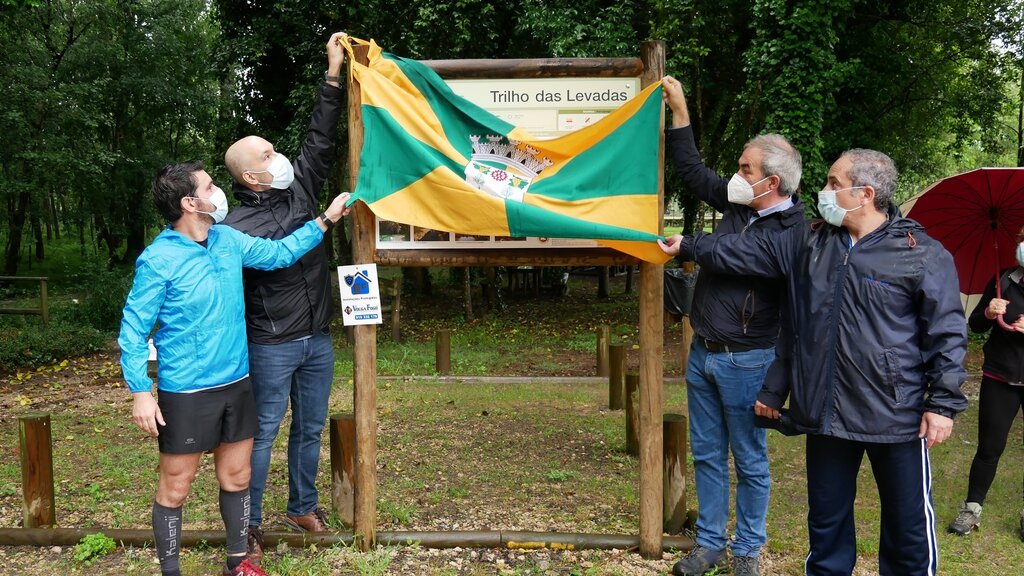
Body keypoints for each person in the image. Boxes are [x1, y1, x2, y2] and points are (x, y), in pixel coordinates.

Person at [661, 149, 968, 576]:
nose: (822, 191)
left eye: (833, 183)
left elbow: (947, 334)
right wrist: (775, 388)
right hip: (825, 413)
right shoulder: (814, 243)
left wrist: (943, 404)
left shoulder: (919, 252)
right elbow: (794, 323)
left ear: (865, 194)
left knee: (907, 528)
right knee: (826, 525)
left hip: (895, 416)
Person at [119, 161, 351, 576]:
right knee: (176, 486)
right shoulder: (158, 259)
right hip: (187, 391)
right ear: (190, 202)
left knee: (238, 476)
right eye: (210, 186)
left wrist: (325, 220)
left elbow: (280, 254)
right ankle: (170, 571)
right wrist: (140, 390)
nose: (218, 190)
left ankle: (238, 563)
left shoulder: (228, 239)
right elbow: (133, 329)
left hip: (237, 383)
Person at [660, 75, 806, 576]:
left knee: (749, 458)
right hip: (704, 353)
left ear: (772, 182)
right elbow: (695, 173)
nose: (737, 175)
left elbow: (733, 254)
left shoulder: (791, 232)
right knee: (706, 453)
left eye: (746, 168)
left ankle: (746, 552)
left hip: (748, 361)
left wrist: (685, 245)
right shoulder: (742, 203)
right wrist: (680, 113)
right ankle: (708, 545)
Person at [221, 31, 347, 562]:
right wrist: (322, 222)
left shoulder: (299, 190)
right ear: (251, 174)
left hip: (317, 339)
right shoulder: (237, 224)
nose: (280, 156)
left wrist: (333, 74)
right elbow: (279, 254)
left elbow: (319, 139)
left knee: (311, 428)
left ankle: (303, 505)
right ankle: (246, 525)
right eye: (268, 154)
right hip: (271, 345)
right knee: (264, 435)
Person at [948, 232, 1024, 538]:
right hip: (1000, 376)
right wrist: (990, 312)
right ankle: (971, 509)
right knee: (989, 448)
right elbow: (975, 323)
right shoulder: (1003, 279)